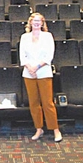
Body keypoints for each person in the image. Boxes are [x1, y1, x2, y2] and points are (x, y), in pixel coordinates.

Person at [19, 13, 61, 143]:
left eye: (39, 21)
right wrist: (29, 68)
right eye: (34, 21)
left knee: (47, 103)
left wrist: (36, 67)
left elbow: (49, 55)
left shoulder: (48, 36)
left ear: (42, 23)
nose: (37, 23)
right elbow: (22, 56)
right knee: (34, 103)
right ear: (30, 23)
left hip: (43, 72)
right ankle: (39, 128)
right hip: (28, 73)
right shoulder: (24, 37)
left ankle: (55, 129)